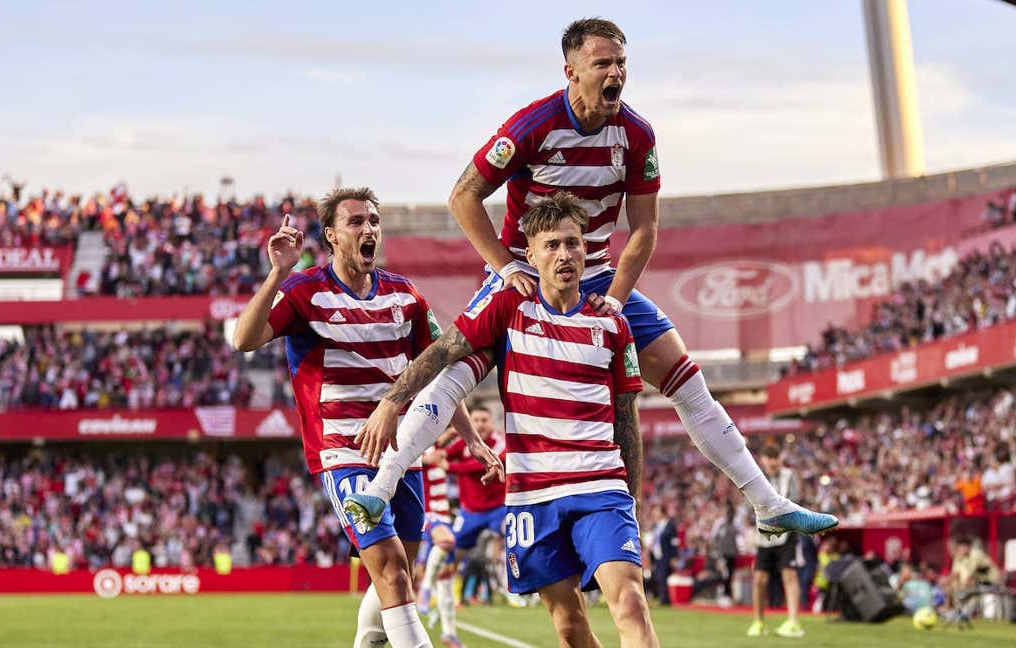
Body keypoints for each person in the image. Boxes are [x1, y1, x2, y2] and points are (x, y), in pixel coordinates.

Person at [348, 16, 836, 541]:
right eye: (602, 63)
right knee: (455, 371)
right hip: (524, 275)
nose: (615, 73)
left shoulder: (638, 134)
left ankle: (766, 502)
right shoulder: (532, 125)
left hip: (597, 275)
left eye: (621, 63)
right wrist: (506, 266)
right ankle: (381, 488)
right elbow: (463, 196)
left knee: (688, 381)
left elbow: (645, 229)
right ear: (571, 71)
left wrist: (619, 299)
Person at [353, 193, 659, 646]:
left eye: (573, 244)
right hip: (534, 496)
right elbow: (443, 351)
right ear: (530, 254)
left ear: (587, 250)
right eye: (552, 245)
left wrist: (629, 499)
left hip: (600, 487)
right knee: (570, 626)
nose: (564, 255)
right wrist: (390, 403)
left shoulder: (613, 325)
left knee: (630, 602)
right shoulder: (509, 307)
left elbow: (626, 418)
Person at [231, 187, 501, 648]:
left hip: (402, 454)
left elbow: (435, 370)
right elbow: (244, 339)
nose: (368, 229)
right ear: (332, 236)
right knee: (392, 571)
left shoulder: (405, 295)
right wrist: (278, 272)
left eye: (373, 220)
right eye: (356, 222)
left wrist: (472, 439)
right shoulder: (304, 291)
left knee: (399, 579)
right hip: (344, 451)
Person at [445, 404, 514, 603]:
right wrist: (449, 434)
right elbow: (439, 452)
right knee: (450, 551)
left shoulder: (500, 441)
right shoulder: (462, 442)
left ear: (492, 422)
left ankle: (511, 586)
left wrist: (449, 466)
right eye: (475, 420)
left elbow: (486, 462)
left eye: (484, 420)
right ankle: (448, 592)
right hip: (470, 511)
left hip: (498, 508)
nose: (480, 424)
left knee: (507, 535)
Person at [748, 445, 807, 638]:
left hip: (786, 534)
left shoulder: (789, 476)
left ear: (780, 459)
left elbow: (795, 501)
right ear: (763, 460)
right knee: (759, 579)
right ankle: (758, 622)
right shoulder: (756, 477)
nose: (773, 462)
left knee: (789, 576)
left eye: (775, 458)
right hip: (764, 536)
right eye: (769, 458)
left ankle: (793, 622)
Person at [416, 428, 463, 648]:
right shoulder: (416, 445)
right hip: (426, 511)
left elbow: (451, 432)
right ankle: (425, 588)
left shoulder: (437, 444)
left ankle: (449, 633)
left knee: (445, 578)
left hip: (444, 515)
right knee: (447, 541)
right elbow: (400, 461)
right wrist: (426, 460)